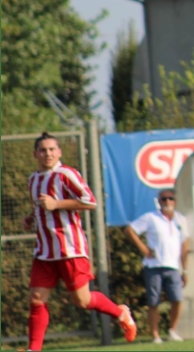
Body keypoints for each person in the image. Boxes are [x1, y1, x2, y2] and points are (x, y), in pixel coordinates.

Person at [22, 132, 137, 351]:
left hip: (70, 249)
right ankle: (33, 349)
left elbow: (90, 202)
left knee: (82, 301)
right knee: (36, 299)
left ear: (59, 152)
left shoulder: (66, 174)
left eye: (52, 149)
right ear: (35, 154)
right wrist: (30, 217)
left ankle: (121, 313)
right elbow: (40, 206)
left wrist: (57, 204)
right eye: (43, 150)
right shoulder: (33, 179)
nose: (48, 154)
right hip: (44, 251)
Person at [124, 188, 191, 343]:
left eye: (170, 198)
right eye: (164, 199)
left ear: (175, 201)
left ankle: (172, 331)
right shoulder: (151, 217)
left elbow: (184, 246)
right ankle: (155, 335)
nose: (167, 201)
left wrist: (185, 270)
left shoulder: (180, 220)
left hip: (173, 266)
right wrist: (143, 248)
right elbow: (130, 230)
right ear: (159, 202)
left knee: (177, 299)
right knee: (154, 302)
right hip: (153, 266)